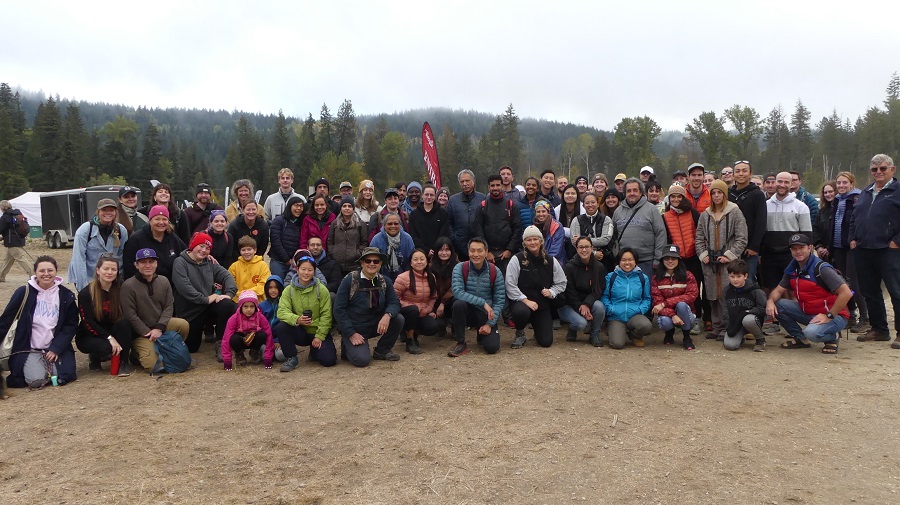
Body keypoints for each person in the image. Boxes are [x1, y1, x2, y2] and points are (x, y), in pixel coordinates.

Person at [0, 256, 78, 388]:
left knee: (65, 375)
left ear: (56, 272)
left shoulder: (66, 295)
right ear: (35, 272)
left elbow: (70, 325)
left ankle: (49, 365)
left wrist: (56, 348)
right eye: (42, 271)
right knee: (36, 380)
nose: (46, 274)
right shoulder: (23, 293)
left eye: (50, 270)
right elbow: (6, 320)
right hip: (29, 348)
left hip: (54, 347)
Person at [767, 233, 852, 354]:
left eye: (801, 248)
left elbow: (846, 293)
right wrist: (770, 301)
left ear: (810, 247)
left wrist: (829, 316)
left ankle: (832, 337)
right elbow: (778, 290)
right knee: (778, 304)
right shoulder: (792, 268)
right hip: (808, 311)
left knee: (811, 333)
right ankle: (801, 339)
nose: (798, 252)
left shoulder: (822, 268)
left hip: (834, 315)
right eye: (794, 249)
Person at [850, 154, 900, 348]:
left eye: (883, 169)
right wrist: (852, 238)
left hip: (889, 250)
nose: (878, 172)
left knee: (896, 292)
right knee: (869, 291)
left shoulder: (897, 191)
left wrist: (897, 241)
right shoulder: (865, 192)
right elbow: (855, 217)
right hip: (864, 249)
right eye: (874, 169)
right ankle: (879, 329)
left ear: (892, 169)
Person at [120, 248, 190, 370]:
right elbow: (130, 314)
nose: (148, 265)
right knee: (154, 366)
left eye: (151, 261)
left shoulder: (163, 281)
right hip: (141, 333)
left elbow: (169, 305)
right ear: (136, 265)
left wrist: (159, 328)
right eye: (143, 262)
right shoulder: (128, 286)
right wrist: (148, 333)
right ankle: (136, 354)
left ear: (156, 263)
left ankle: (169, 348)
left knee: (182, 325)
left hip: (159, 326)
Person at [760, 171, 812, 335]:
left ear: (792, 184)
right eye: (779, 181)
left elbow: (807, 233)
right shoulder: (766, 205)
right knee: (770, 287)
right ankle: (775, 320)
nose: (782, 185)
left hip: (790, 255)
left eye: (786, 182)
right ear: (774, 183)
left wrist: (805, 256)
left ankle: (793, 320)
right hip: (769, 253)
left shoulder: (800, 206)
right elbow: (761, 231)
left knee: (791, 289)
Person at [333, 247, 404, 366]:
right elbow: (338, 309)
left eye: (376, 261)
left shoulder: (385, 281)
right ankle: (347, 344)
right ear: (361, 263)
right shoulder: (350, 280)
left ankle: (382, 351)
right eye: (368, 261)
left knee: (398, 319)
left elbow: (394, 302)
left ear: (380, 264)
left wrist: (387, 315)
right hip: (355, 327)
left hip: (376, 325)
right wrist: (351, 333)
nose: (372, 264)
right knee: (362, 361)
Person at [696, 180, 748, 341]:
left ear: (725, 194)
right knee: (712, 295)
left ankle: (728, 326)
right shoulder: (705, 215)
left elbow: (742, 237)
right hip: (710, 263)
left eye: (719, 192)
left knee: (728, 294)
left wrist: (729, 255)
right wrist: (703, 254)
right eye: (713, 193)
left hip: (728, 262)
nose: (716, 195)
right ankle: (716, 325)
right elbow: (698, 238)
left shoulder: (735, 212)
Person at [171, 232, 238, 354]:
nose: (204, 250)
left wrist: (228, 294)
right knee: (192, 348)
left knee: (228, 305)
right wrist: (206, 299)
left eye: (207, 248)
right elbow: (184, 288)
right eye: (201, 246)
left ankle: (222, 344)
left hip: (208, 306)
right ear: (193, 245)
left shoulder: (209, 263)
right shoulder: (180, 262)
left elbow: (227, 276)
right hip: (191, 310)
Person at [506, 226, 567, 349]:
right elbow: (510, 284)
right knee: (521, 312)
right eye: (529, 240)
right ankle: (520, 333)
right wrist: (525, 300)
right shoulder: (516, 259)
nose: (532, 242)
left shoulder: (551, 260)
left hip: (541, 305)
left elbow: (562, 282)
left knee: (546, 342)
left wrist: (552, 292)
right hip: (522, 303)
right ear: (524, 243)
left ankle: (537, 329)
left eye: (535, 239)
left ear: (541, 241)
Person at [274, 250, 336, 370]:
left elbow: (326, 315)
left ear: (314, 271)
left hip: (317, 330)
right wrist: (297, 319)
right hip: (300, 330)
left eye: (310, 270)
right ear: (297, 269)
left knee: (329, 360)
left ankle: (314, 351)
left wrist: (319, 336)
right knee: (281, 327)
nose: (306, 273)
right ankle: (292, 357)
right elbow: (281, 312)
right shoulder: (289, 290)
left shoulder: (321, 289)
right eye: (303, 269)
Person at [75, 254, 132, 375]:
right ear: (98, 270)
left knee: (125, 324)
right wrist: (109, 338)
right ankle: (95, 358)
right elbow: (87, 322)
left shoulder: (121, 288)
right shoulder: (86, 293)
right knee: (105, 347)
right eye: (106, 269)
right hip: (90, 334)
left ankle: (124, 362)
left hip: (112, 328)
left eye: (113, 269)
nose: (109, 272)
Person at [448, 237, 505, 357]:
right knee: (458, 303)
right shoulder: (460, 268)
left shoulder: (495, 271)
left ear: (486, 252)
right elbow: (457, 292)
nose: (476, 254)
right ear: (468, 251)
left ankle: (482, 333)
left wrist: (489, 324)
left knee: (492, 347)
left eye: (480, 251)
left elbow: (499, 300)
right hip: (468, 311)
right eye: (472, 251)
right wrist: (483, 303)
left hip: (485, 314)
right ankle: (461, 343)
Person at [662, 184, 706, 334]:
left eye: (679, 196)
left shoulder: (693, 213)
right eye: (673, 196)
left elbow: (701, 233)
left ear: (683, 197)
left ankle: (697, 319)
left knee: (694, 290)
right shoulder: (666, 216)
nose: (675, 199)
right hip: (677, 259)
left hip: (694, 256)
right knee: (678, 290)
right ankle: (679, 318)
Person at [828, 171, 869, 333]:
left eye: (845, 183)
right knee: (842, 282)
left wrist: (855, 239)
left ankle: (865, 317)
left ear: (852, 183)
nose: (841, 186)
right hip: (838, 246)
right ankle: (851, 315)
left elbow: (859, 222)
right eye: (839, 183)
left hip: (851, 246)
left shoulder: (858, 199)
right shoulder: (837, 200)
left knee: (854, 281)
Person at [68, 198, 128, 291]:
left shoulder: (121, 230)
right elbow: (78, 259)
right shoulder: (85, 230)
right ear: (98, 212)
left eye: (111, 210)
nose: (108, 213)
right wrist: (83, 288)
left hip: (110, 280)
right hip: (89, 278)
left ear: (115, 212)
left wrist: (118, 281)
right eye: (104, 210)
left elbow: (121, 257)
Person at [613, 178, 667, 275]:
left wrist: (658, 259)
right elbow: (614, 236)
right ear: (624, 193)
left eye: (635, 190)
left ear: (641, 192)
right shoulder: (618, 211)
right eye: (629, 191)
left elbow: (660, 234)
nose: (632, 193)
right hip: (625, 263)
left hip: (647, 262)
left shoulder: (652, 209)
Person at [559, 236, 607, 346]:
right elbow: (569, 291)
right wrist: (581, 307)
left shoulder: (599, 267)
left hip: (588, 302)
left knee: (599, 307)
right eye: (581, 247)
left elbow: (599, 289)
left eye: (587, 247)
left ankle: (594, 334)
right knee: (581, 323)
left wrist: (587, 304)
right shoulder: (569, 267)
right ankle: (572, 328)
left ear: (592, 248)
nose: (584, 250)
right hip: (570, 303)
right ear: (576, 249)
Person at [394, 249, 444, 354]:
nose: (419, 262)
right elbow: (395, 298)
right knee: (413, 310)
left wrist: (428, 310)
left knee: (434, 326)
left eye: (422, 259)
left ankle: (411, 331)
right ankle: (410, 339)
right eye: (415, 259)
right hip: (406, 311)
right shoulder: (402, 278)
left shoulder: (431, 277)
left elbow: (433, 297)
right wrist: (416, 308)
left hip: (422, 312)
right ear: (411, 263)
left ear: (426, 261)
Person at [601, 248, 652, 349]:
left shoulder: (643, 278)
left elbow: (647, 298)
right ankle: (614, 330)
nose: (627, 263)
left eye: (630, 259)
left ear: (635, 261)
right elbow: (604, 297)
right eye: (623, 260)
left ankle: (634, 336)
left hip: (635, 314)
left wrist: (640, 309)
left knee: (646, 325)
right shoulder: (611, 277)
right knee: (617, 344)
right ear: (619, 261)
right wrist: (610, 309)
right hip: (616, 316)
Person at [650, 245, 699, 350]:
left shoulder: (688, 275)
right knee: (665, 323)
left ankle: (687, 337)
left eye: (673, 258)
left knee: (681, 305)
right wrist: (672, 315)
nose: (670, 261)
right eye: (667, 258)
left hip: (686, 313)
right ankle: (669, 333)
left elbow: (691, 295)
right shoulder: (656, 278)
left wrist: (665, 303)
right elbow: (657, 302)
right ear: (662, 260)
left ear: (678, 260)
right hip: (666, 314)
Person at [476, 174, 523, 279]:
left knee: (508, 283)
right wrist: (486, 251)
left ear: (502, 186)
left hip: (506, 254)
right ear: (488, 187)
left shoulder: (510, 205)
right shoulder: (482, 207)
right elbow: (478, 230)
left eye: (498, 185)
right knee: (488, 283)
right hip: (488, 254)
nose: (495, 188)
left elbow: (517, 228)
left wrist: (510, 249)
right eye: (492, 186)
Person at [122, 205, 186, 281]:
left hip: (170, 285)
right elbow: (128, 266)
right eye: (157, 219)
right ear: (150, 221)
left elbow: (184, 255)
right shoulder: (136, 239)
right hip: (144, 284)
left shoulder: (172, 237)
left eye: (164, 219)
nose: (161, 222)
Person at [728, 161, 767, 282]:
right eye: (737, 171)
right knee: (731, 280)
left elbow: (761, 222)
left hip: (749, 249)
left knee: (747, 281)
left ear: (750, 174)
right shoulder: (728, 194)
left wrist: (754, 246)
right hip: (731, 247)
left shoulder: (757, 194)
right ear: (733, 175)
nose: (741, 174)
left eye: (744, 171)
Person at [221, 290, 274, 370]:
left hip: (254, 339)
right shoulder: (233, 319)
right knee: (233, 338)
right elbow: (226, 339)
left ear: (255, 307)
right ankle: (239, 354)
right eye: (245, 306)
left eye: (252, 306)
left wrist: (268, 358)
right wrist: (227, 360)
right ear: (241, 307)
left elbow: (269, 336)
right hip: (240, 340)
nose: (249, 309)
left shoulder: (260, 317)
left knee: (263, 335)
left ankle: (254, 352)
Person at [722, 259, 767, 352]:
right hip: (736, 323)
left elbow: (762, 309)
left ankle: (760, 339)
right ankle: (740, 337)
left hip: (752, 321)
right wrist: (728, 327)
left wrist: (747, 312)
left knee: (748, 320)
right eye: (732, 276)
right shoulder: (726, 291)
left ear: (745, 276)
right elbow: (725, 311)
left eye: (739, 276)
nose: (735, 280)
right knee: (730, 345)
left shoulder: (756, 290)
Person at [570, 192, 615, 273]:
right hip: (581, 260)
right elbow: (574, 242)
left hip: (603, 259)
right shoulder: (576, 220)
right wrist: (593, 253)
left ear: (598, 204)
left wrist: (581, 240)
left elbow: (605, 239)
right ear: (583, 205)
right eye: (587, 203)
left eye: (593, 202)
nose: (590, 205)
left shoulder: (606, 219)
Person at [447, 169, 486, 260]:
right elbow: (448, 222)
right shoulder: (453, 200)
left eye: (467, 181)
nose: (464, 184)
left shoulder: (482, 198)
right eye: (462, 181)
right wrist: (454, 238)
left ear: (473, 181)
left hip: (478, 245)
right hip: (459, 246)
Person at [268, 195, 306, 280]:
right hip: (278, 261)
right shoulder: (279, 221)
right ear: (290, 206)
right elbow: (275, 241)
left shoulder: (302, 223)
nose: (299, 208)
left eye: (301, 206)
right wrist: (287, 259)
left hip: (295, 262)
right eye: (296, 205)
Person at [328, 195, 368, 276]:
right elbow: (330, 241)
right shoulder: (334, 224)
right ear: (341, 208)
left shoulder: (360, 224)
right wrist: (333, 252)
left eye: (349, 206)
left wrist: (357, 254)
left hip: (354, 264)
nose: (347, 208)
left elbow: (364, 243)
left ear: (353, 209)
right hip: (337, 263)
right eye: (344, 206)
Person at [369, 213, 414, 281]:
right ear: (384, 225)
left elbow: (411, 261)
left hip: (404, 279)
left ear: (400, 224)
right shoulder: (376, 240)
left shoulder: (407, 239)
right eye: (389, 224)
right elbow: (372, 262)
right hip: (381, 279)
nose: (393, 226)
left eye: (396, 224)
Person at [409, 183, 449, 257]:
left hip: (438, 252)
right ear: (422, 195)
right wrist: (426, 250)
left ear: (435, 196)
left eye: (432, 195)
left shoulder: (443, 213)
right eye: (427, 194)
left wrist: (435, 249)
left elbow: (443, 233)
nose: (429, 197)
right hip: (420, 252)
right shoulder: (414, 215)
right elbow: (413, 235)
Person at [428, 237, 457, 335]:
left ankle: (455, 326)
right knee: (435, 328)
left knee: (458, 302)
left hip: (450, 301)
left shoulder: (457, 266)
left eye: (447, 250)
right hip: (436, 302)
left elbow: (455, 287)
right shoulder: (431, 267)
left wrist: (443, 303)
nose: (444, 253)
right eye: (441, 250)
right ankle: (441, 324)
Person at [228, 235, 271, 302]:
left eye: (249, 249)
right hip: (238, 301)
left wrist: (248, 294)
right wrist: (242, 296)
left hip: (258, 301)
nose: (246, 252)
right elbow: (231, 285)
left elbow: (263, 285)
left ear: (255, 250)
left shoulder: (263, 265)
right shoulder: (234, 266)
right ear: (240, 251)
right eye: (243, 250)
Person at [0, 200, 32, 282]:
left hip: (12, 242)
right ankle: (1, 276)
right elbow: (12, 230)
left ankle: (33, 274)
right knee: (8, 260)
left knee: (21, 258)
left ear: (3, 207)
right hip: (19, 239)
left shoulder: (5, 217)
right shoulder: (17, 215)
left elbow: (1, 229)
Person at [532, 200, 567, 267]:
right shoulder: (533, 227)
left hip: (556, 262)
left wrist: (544, 262)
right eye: (538, 212)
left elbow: (556, 250)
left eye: (543, 211)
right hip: (538, 263)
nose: (541, 214)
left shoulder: (557, 226)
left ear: (548, 212)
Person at [554, 184, 584, 259]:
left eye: (573, 193)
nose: (570, 195)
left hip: (578, 243)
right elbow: (556, 229)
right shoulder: (557, 209)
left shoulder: (583, 209)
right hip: (560, 243)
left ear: (577, 195)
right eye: (567, 193)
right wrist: (570, 232)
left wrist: (563, 230)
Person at [813, 181, 836, 259]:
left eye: (830, 192)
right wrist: (819, 246)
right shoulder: (822, 211)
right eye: (825, 192)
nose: (828, 194)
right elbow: (815, 229)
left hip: (837, 251)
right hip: (823, 253)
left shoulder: (840, 210)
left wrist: (829, 248)